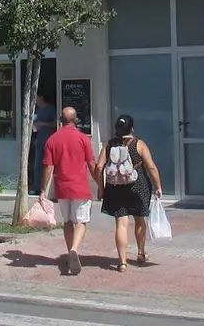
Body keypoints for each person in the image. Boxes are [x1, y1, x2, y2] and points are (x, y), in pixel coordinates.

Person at [96, 115, 163, 271]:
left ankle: (122, 262)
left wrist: (101, 188)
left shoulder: (109, 145)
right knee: (140, 220)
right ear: (132, 128)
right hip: (137, 185)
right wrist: (158, 186)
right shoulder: (139, 144)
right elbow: (151, 167)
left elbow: (99, 167)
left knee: (121, 223)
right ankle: (141, 252)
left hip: (115, 187)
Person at [39, 106, 97, 275]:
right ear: (75, 120)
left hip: (62, 188)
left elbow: (48, 166)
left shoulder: (52, 140)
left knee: (68, 222)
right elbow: (92, 164)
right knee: (81, 221)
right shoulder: (83, 138)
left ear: (61, 120)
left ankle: (70, 251)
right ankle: (74, 250)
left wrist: (43, 189)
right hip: (80, 187)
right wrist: (99, 182)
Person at [28, 93, 55, 194]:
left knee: (47, 164)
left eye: (35, 98)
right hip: (38, 140)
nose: (34, 101)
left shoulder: (50, 109)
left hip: (48, 140)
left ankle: (46, 189)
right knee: (37, 164)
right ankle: (37, 187)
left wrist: (43, 123)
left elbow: (56, 123)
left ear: (41, 97)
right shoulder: (36, 110)